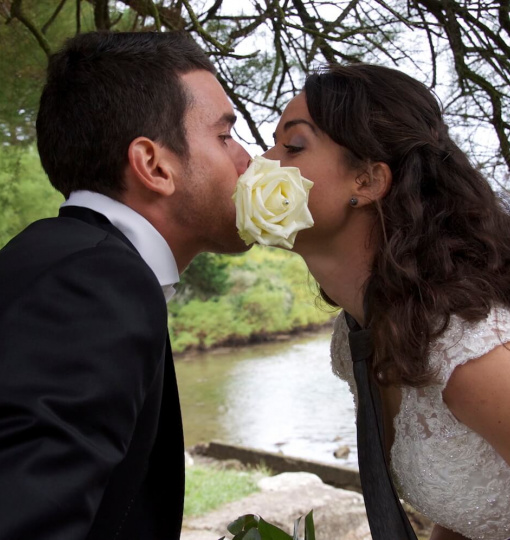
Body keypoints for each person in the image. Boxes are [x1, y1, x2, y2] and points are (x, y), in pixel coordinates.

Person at [0, 31, 250, 540]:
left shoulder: (55, 254)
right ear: (154, 165)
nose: (246, 158)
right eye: (225, 136)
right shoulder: (98, 282)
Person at [263, 64, 510, 539]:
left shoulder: (465, 350)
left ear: (368, 181)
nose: (264, 161)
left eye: (292, 146)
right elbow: (480, 505)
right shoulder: (357, 334)